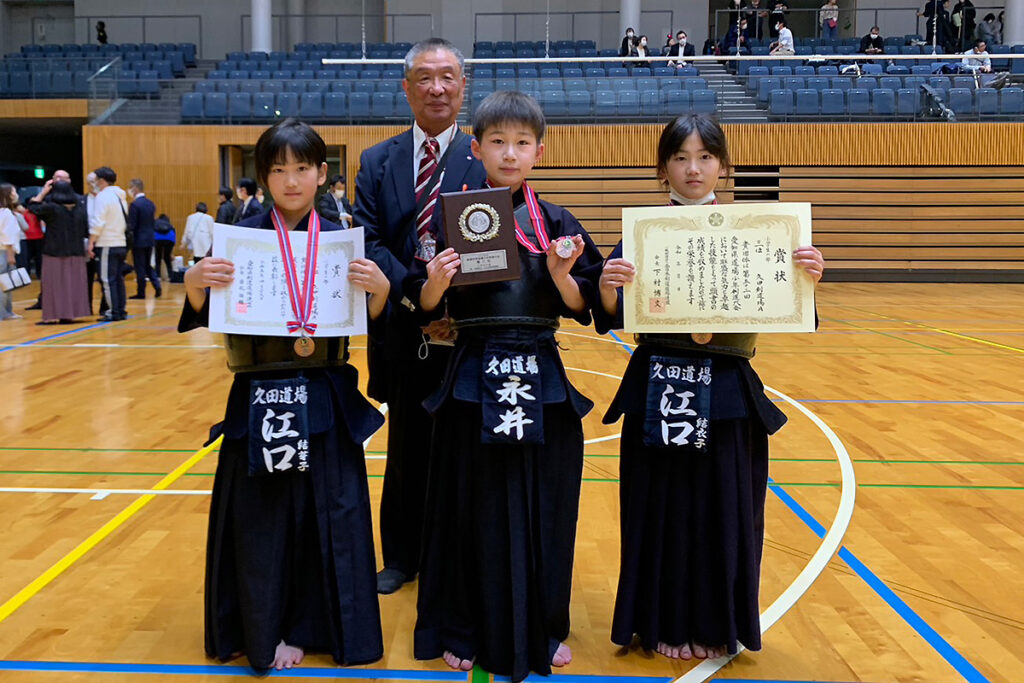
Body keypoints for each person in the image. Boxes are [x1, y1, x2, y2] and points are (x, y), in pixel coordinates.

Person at [591, 114, 825, 663]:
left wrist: (807, 278)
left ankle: (719, 623)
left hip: (727, 390)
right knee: (660, 510)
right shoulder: (639, 233)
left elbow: (798, 314)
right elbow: (606, 317)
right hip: (660, 385)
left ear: (724, 165)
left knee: (725, 511)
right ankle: (659, 621)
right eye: (679, 158)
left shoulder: (763, 233)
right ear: (661, 168)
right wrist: (606, 287)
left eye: (704, 157)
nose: (692, 169)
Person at [406, 90, 602, 682]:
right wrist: (436, 282)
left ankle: (543, 623)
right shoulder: (457, 215)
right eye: (497, 142)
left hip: (539, 368)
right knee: (471, 505)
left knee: (546, 506)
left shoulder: (559, 224)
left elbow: (584, 308)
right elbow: (424, 306)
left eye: (521, 143)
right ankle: (462, 623)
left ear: (539, 151)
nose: (510, 154)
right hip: (473, 368)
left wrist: (566, 278)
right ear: (476, 148)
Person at [179, 118, 389, 672]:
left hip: (324, 390)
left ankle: (324, 629)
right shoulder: (240, 237)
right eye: (278, 170)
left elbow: (377, 318)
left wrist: (380, 292)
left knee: (332, 512)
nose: (291, 181)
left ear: (323, 173)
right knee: (263, 518)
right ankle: (261, 627)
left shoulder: (345, 237)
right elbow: (203, 316)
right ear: (263, 177)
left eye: (302, 168)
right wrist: (196, 287)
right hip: (257, 392)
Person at [355, 37, 486, 595]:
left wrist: (451, 303)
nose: (437, 87)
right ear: (406, 88)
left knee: (462, 450)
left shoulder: (484, 155)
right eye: (425, 78)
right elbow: (371, 238)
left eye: (447, 77)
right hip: (405, 328)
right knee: (405, 447)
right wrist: (420, 296)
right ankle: (401, 557)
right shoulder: (376, 160)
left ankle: (453, 556)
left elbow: (490, 236)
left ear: (462, 86)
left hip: (464, 330)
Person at [27, 181, 90, 324]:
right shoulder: (80, 208)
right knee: (73, 284)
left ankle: (51, 316)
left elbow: (32, 207)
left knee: (53, 285)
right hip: (76, 251)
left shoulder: (52, 208)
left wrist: (43, 192)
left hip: (54, 251)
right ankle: (70, 314)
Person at [88, 166, 128, 322]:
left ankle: (113, 311)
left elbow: (98, 222)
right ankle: (120, 309)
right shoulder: (120, 196)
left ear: (102, 181)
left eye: (96, 180)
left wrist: (91, 242)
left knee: (107, 279)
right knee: (118, 279)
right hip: (120, 242)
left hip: (107, 243)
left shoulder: (102, 196)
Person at [127, 178, 161, 299]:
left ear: (135, 189)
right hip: (150, 238)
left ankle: (141, 292)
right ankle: (157, 286)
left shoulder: (135, 205)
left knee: (140, 266)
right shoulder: (150, 203)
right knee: (148, 265)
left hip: (138, 240)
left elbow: (132, 225)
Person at [0, 183, 22, 321]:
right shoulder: (6, 213)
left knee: (5, 284)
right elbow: (8, 236)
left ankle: (7, 311)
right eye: (14, 192)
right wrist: (10, 256)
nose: (16, 194)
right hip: (3, 252)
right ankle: (5, 313)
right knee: (4, 284)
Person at [153, 213, 175, 280]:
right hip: (170, 239)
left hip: (157, 238)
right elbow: (173, 233)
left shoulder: (156, 222)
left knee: (158, 258)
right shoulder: (169, 224)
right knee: (167, 258)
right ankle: (171, 276)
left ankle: (158, 276)